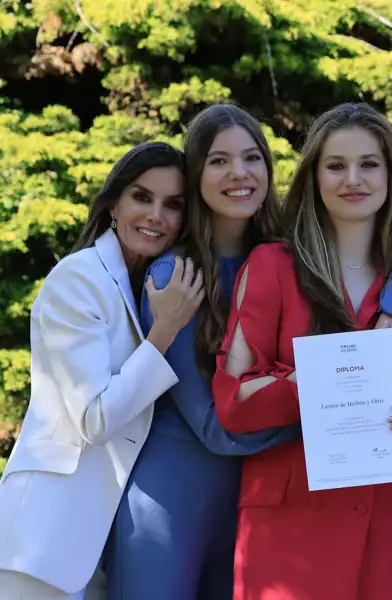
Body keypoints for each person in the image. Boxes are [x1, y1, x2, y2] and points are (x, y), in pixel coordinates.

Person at [107, 104, 392, 599]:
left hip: (310, 499)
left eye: (251, 158)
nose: (239, 174)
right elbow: (220, 423)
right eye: (218, 161)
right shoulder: (184, 277)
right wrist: (341, 390)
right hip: (187, 489)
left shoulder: (342, 262)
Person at [213, 102, 392, 600]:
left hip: (387, 522)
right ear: (314, 177)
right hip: (289, 523)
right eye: (336, 166)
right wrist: (326, 377)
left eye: (368, 164)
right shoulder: (273, 265)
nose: (353, 179)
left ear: (390, 174)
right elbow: (232, 401)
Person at [0, 142, 204, 599]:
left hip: (96, 552)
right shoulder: (78, 278)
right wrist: (165, 331)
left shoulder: (144, 284)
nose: (156, 215)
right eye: (141, 197)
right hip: (42, 546)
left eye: (173, 205)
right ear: (114, 203)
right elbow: (94, 419)